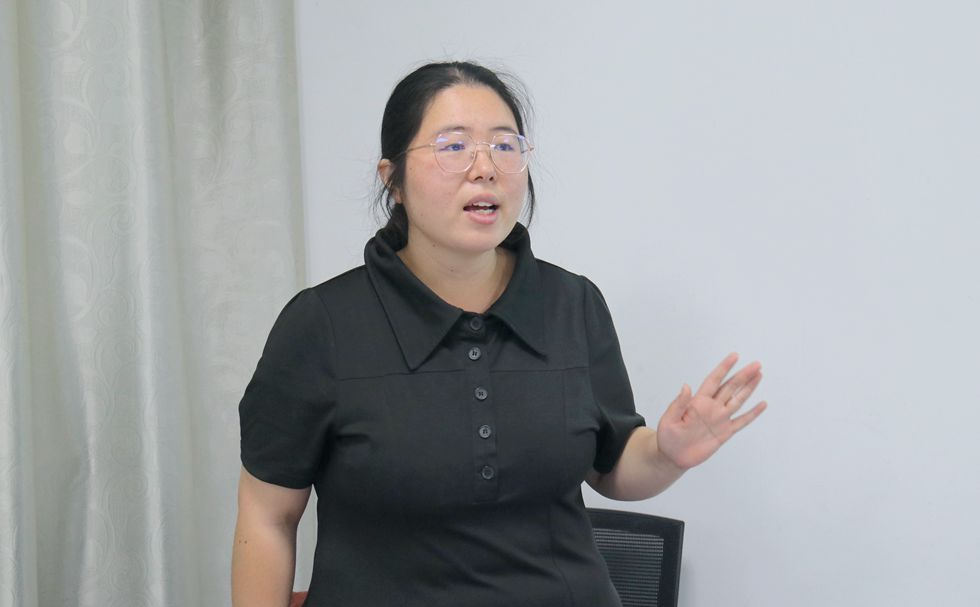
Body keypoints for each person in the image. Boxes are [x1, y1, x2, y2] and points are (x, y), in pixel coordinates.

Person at [231, 61, 767, 607]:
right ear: (392, 179)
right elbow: (268, 515)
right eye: (454, 146)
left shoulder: (573, 304)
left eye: (505, 146)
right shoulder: (322, 324)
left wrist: (667, 454)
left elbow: (613, 468)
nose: (485, 168)